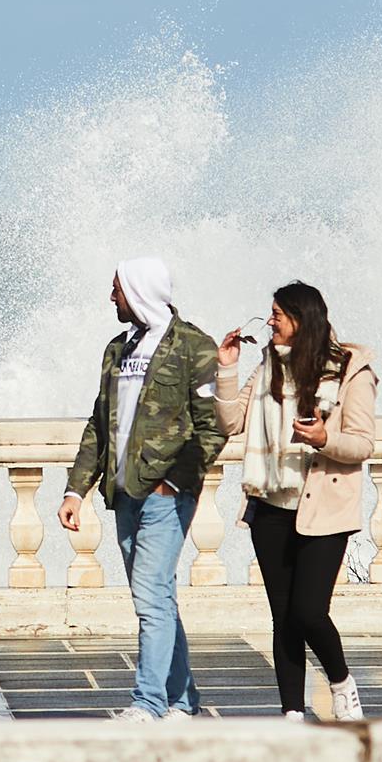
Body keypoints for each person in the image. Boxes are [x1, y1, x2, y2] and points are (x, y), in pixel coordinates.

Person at [58, 257, 227, 721]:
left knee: (149, 596)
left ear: (137, 292)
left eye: (116, 289)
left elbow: (212, 429)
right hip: (124, 493)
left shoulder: (194, 347)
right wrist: (76, 491)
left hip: (166, 495)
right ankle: (184, 701)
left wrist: (174, 483)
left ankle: (148, 703)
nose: (111, 297)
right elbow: (100, 425)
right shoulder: (117, 349)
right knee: (158, 598)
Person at [216, 281, 377, 722]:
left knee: (309, 612)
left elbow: (362, 444)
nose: (270, 322)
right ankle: (292, 711)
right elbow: (230, 422)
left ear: (301, 321)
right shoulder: (267, 364)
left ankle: (341, 682)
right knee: (283, 616)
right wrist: (226, 369)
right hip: (269, 504)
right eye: (270, 314)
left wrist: (325, 438)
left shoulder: (350, 371)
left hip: (323, 506)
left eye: (278, 315)